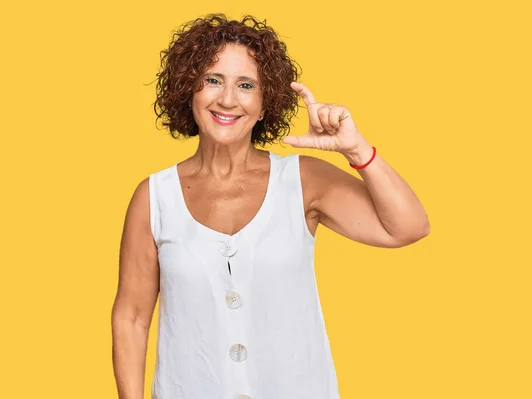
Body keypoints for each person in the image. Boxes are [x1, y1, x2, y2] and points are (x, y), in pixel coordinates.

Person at [111, 13, 429, 399]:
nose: (227, 99)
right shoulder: (155, 196)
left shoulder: (302, 181)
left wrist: (355, 148)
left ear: (265, 105)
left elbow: (408, 226)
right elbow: (131, 318)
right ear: (189, 89)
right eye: (213, 80)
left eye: (246, 85)